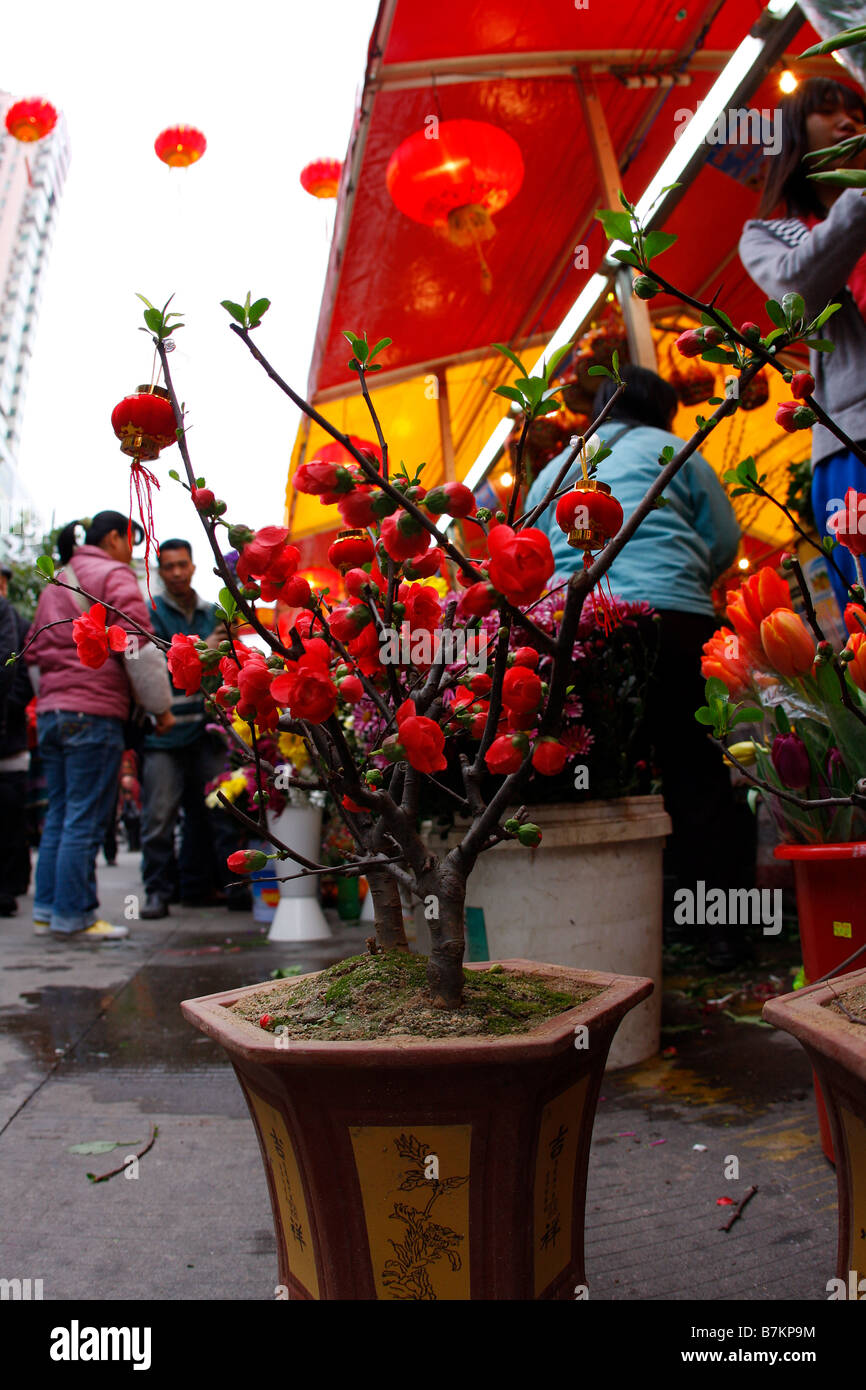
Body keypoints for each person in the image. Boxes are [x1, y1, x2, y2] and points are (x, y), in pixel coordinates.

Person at [526, 365, 754, 968]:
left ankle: (595, 939)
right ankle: (721, 934)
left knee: (593, 774)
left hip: (579, 630)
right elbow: (725, 538)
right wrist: (687, 573)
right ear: (666, 412)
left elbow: (531, 549)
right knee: (697, 771)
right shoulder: (679, 451)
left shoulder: (558, 468)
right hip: (676, 622)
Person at [739, 76, 866, 613]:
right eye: (828, 112)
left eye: (858, 114)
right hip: (853, 439)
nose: (849, 123)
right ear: (796, 135)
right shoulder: (770, 235)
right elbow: (796, 287)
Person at [26, 512, 174, 940]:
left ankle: (47, 911)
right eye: (132, 542)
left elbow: (34, 654)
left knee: (59, 813)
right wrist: (160, 707)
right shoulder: (114, 575)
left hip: (53, 714)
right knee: (85, 818)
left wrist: (52, 700)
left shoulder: (58, 578)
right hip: (92, 714)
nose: (134, 553)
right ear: (113, 537)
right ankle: (76, 916)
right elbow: (135, 646)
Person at [140, 539, 248, 917]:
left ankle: (231, 887)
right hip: (164, 731)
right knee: (159, 816)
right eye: (168, 566)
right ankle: (156, 892)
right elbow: (153, 661)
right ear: (160, 570)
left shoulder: (210, 611)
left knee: (221, 808)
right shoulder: (150, 615)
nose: (176, 572)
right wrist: (205, 646)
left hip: (208, 729)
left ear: (192, 566)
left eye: (181, 564)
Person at [0, 590, 33, 915]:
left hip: (8, 740)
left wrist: (8, 708)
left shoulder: (14, 621)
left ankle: (9, 887)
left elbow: (19, 676)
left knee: (11, 817)